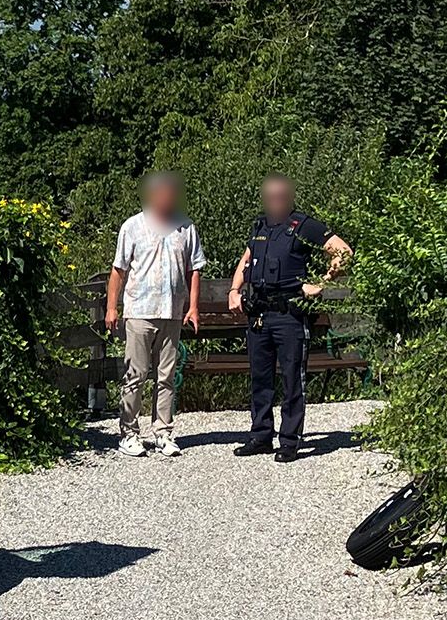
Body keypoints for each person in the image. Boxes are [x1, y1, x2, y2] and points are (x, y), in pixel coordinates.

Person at [228, 175, 353, 462]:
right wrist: (234, 291)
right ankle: (261, 436)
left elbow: (344, 252)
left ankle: (289, 441)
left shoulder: (303, 225)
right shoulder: (261, 225)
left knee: (292, 379)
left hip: (290, 314)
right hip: (259, 313)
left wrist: (321, 283)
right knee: (260, 378)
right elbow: (246, 260)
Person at [106, 171, 204, 458]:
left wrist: (193, 306)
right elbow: (118, 270)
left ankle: (163, 432)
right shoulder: (132, 226)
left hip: (171, 311)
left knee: (166, 376)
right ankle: (129, 433)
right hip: (139, 310)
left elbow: (194, 269)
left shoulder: (186, 227)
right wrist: (112, 307)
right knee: (135, 374)